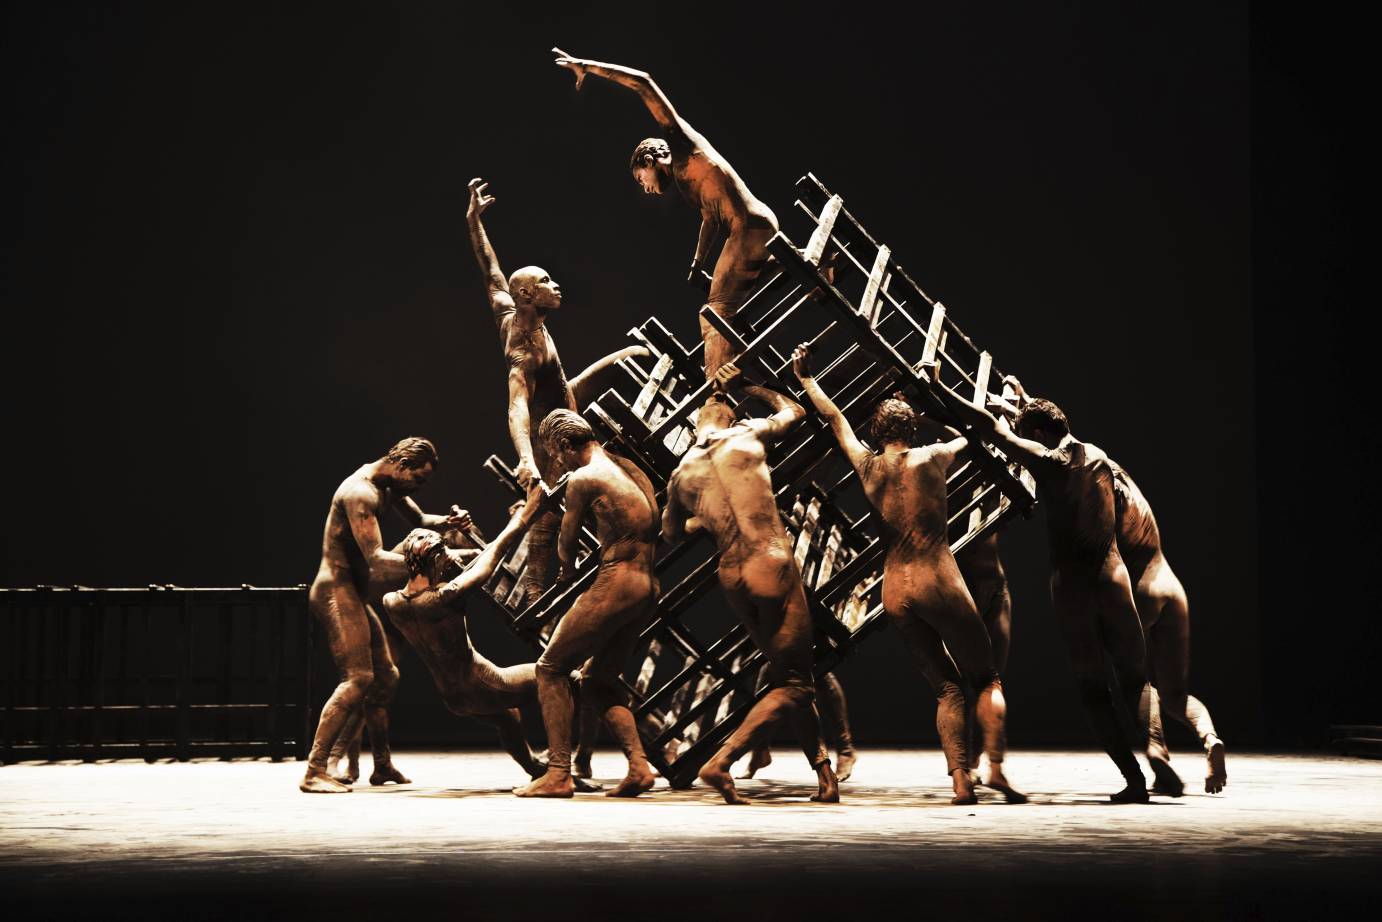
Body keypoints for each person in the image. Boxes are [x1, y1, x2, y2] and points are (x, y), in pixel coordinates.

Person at [793, 346, 1023, 804]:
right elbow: (982, 434)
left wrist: (806, 378)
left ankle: (961, 781)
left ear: (876, 432)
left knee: (945, 687)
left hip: (895, 589)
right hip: (938, 576)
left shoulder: (867, 463)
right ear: (911, 428)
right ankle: (990, 770)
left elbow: (836, 417)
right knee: (986, 679)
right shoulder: (933, 457)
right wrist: (1006, 405)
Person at [946, 390, 1152, 802]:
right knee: (1135, 680)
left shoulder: (1050, 463)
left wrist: (941, 390)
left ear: (1040, 434)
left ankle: (1135, 780)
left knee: (1094, 691)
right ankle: (1159, 750)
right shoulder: (1098, 455)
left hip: (1076, 587)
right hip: (1115, 577)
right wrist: (1019, 400)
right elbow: (1028, 423)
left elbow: (994, 432)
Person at [663, 363, 839, 805]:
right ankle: (721, 762)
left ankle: (824, 775)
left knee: (788, 677)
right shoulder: (747, 436)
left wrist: (705, 519)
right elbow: (794, 410)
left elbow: (668, 534)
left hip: (732, 574)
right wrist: (750, 387)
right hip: (770, 563)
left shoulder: (681, 476)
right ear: (729, 418)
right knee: (797, 683)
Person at [466, 178, 647, 606]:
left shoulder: (510, 308)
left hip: (567, 395)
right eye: (547, 281)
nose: (557, 284)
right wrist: (527, 459)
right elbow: (516, 408)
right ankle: (535, 593)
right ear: (529, 294)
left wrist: (473, 220)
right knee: (545, 517)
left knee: (634, 354)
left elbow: (490, 269)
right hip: (553, 433)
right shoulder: (523, 354)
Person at [552, 49, 778, 380]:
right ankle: (803, 261)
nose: (643, 188)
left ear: (651, 159)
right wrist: (698, 262)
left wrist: (588, 67)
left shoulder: (684, 146)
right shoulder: (689, 185)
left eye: (639, 178)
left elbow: (644, 83)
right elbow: (710, 220)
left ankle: (717, 392)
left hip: (748, 228)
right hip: (749, 227)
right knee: (727, 295)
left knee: (714, 313)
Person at [300, 438, 467, 794]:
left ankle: (381, 764)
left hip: (354, 593)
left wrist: (448, 523)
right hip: (335, 590)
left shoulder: (389, 484)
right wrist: (437, 558)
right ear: (402, 464)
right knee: (357, 678)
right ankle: (315, 769)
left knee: (386, 674)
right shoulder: (360, 493)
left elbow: (422, 520)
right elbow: (376, 560)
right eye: (418, 479)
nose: (419, 485)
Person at [513, 410, 662, 799]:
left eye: (555, 454)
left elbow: (566, 541)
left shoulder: (584, 478)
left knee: (550, 668)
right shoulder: (627, 466)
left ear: (564, 446)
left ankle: (559, 772)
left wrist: (564, 572)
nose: (557, 462)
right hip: (648, 586)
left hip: (619, 582)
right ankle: (639, 768)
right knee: (598, 682)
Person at [380, 481, 555, 781]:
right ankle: (564, 762)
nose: (449, 557)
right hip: (485, 683)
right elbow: (493, 555)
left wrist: (460, 549)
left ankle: (534, 768)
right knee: (561, 676)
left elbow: (462, 564)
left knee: (508, 719)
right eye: (444, 554)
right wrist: (526, 513)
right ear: (434, 560)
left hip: (453, 698)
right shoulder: (446, 597)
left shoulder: (392, 602)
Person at [1112, 461, 1228, 795]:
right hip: (1172, 585)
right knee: (1176, 695)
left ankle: (1157, 748)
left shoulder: (1108, 501)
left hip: (1144, 588)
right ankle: (1211, 739)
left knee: (1139, 682)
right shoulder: (1136, 495)